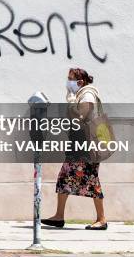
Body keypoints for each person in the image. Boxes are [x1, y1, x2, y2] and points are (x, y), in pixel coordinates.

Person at [41, 67, 108, 230]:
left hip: (86, 147)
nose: (68, 82)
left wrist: (71, 102)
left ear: (80, 82)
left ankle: (102, 219)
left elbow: (81, 117)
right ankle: (59, 216)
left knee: (91, 180)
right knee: (64, 178)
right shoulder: (81, 94)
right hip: (77, 145)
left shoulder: (87, 94)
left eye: (71, 79)